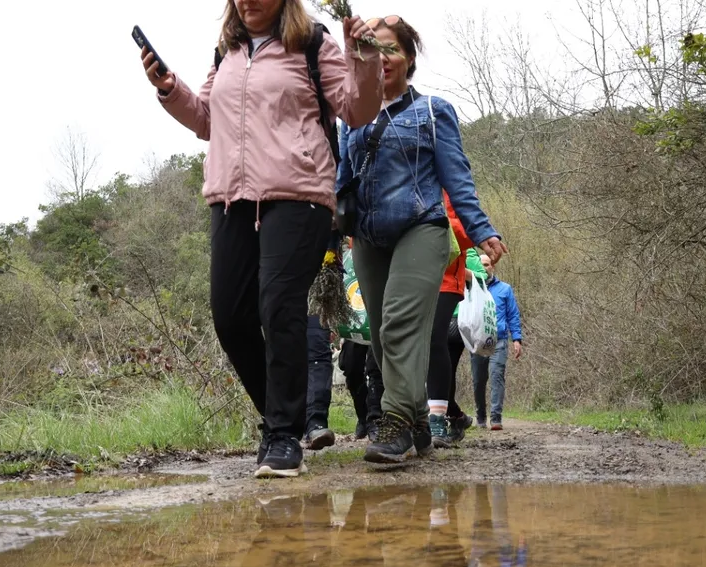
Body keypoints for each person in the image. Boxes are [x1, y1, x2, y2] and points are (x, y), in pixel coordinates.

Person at [140, 0, 383, 477]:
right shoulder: (226, 52)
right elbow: (207, 119)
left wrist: (364, 58)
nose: (248, 1)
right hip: (231, 198)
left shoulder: (312, 42)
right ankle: (279, 418)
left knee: (278, 305)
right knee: (230, 317)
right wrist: (170, 90)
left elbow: (357, 110)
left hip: (299, 195)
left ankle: (283, 434)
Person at [338, 16, 506, 465]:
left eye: (391, 49)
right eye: (373, 49)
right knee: (379, 336)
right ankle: (415, 418)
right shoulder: (351, 118)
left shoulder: (433, 111)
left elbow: (458, 179)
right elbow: (340, 181)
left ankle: (392, 423)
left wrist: (481, 230)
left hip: (423, 228)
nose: (383, 58)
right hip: (369, 237)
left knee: (397, 324)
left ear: (409, 58)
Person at [428, 193, 476, 448]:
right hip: (410, 273)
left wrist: (430, 227)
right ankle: (454, 414)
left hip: (447, 278)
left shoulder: (453, 180)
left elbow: (470, 229)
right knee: (415, 344)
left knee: (434, 338)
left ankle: (436, 420)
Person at [471, 254, 523, 431]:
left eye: (487, 265)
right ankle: (480, 416)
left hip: (499, 340)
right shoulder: (472, 288)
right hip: (478, 342)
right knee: (478, 380)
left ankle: (496, 418)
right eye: (481, 265)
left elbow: (513, 315)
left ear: (493, 266)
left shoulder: (505, 289)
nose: (484, 268)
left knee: (496, 377)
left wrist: (516, 339)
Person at [446, 247, 487, 436]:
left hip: (456, 321)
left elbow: (482, 276)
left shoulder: (467, 251)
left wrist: (458, 270)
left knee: (445, 370)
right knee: (432, 372)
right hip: (428, 317)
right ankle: (455, 415)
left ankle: (453, 417)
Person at [304, 315, 336, 450]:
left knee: (319, 358)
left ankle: (316, 424)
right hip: (277, 305)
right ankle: (282, 429)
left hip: (314, 304)